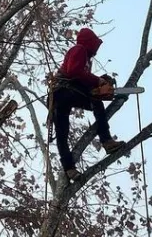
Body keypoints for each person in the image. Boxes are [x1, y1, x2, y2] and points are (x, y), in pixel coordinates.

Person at [49, 28, 124, 178]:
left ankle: (69, 169)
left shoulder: (85, 60)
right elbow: (73, 72)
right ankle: (106, 140)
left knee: (62, 133)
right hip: (64, 90)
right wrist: (97, 81)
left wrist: (98, 81)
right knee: (96, 102)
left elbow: (81, 76)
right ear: (90, 43)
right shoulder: (80, 49)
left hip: (61, 95)